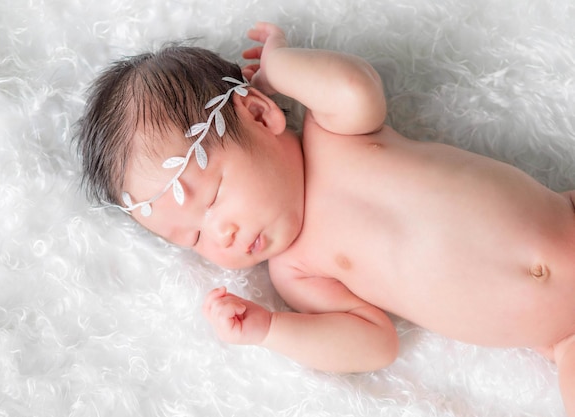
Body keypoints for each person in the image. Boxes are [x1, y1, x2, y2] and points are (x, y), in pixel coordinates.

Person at [76, 22, 575, 415]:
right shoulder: (297, 272)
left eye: (214, 199)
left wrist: (280, 67)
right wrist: (272, 329)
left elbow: (357, 88)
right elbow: (373, 344)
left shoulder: (335, 134)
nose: (219, 234)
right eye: (194, 237)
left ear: (259, 115)